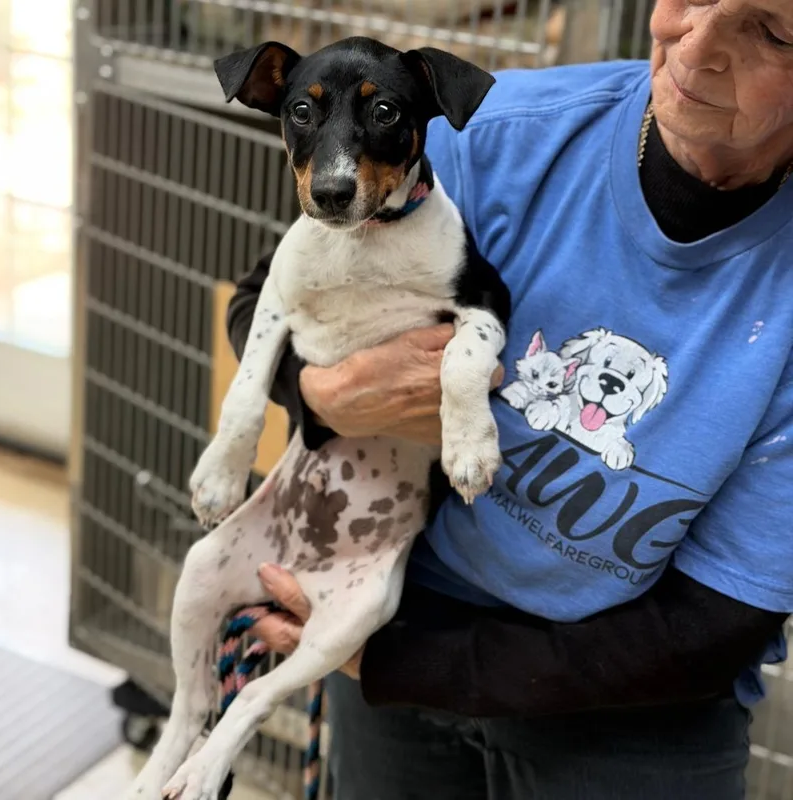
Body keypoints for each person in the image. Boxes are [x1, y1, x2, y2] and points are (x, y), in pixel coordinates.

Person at [224, 1, 793, 796]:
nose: (696, 50)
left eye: (770, 32)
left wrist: (398, 662)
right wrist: (328, 395)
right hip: (396, 608)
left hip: (632, 705)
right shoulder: (497, 133)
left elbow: (717, 626)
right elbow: (263, 301)